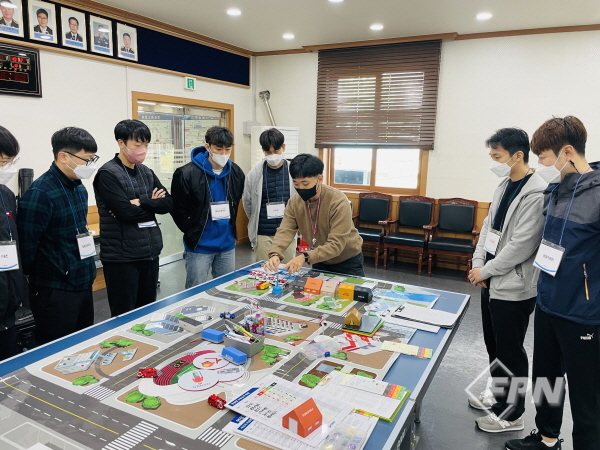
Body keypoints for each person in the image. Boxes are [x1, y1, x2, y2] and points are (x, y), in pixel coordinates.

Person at [506, 116, 600, 450]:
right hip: (547, 301)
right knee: (546, 378)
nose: (541, 165)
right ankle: (547, 438)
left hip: (583, 311)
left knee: (586, 393)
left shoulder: (597, 193)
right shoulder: (555, 189)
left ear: (568, 152)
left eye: (545, 157)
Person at [467, 128, 547, 433]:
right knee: (495, 345)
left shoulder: (536, 192)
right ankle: (500, 397)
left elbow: (522, 245)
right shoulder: (503, 184)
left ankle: (512, 414)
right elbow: (488, 228)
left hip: (513, 285)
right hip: (490, 279)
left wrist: (486, 271)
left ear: (518, 155)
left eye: (497, 156)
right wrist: (478, 264)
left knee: (511, 351)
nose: (493, 161)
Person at [17, 127, 98, 346]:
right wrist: (55, 269)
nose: (89, 165)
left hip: (83, 280)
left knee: (83, 343)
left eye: (92, 159)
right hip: (55, 289)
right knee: (57, 348)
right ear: (63, 156)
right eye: (86, 160)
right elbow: (27, 248)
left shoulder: (79, 188)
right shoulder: (40, 194)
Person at [93, 120, 172, 317]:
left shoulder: (146, 172)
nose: (142, 149)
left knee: (147, 311)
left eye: (146, 145)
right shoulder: (107, 174)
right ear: (121, 143)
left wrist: (141, 202)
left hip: (150, 252)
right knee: (125, 314)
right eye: (137, 145)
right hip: (122, 257)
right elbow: (125, 213)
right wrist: (151, 204)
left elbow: (168, 204)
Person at [264, 154, 364, 276]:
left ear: (320, 179)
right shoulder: (295, 202)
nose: (300, 188)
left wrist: (305, 257)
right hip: (319, 258)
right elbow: (285, 230)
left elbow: (336, 245)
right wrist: (276, 253)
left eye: (305, 184)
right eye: (296, 184)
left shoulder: (338, 201)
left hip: (347, 261)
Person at [171, 126, 245, 288]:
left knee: (226, 290)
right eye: (218, 149)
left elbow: (237, 202)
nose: (224, 154)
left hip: (227, 244)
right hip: (199, 246)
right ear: (208, 147)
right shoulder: (186, 173)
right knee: (195, 292)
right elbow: (178, 210)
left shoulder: (236, 173)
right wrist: (191, 230)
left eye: (228, 149)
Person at [243, 128, 297, 264]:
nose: (272, 155)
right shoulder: (254, 174)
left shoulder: (294, 171)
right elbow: (248, 203)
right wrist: (256, 220)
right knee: (265, 271)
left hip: (287, 232)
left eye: (276, 151)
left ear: (283, 147)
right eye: (268, 152)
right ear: (263, 150)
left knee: (287, 271)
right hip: (263, 233)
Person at [0, 126, 24, 361]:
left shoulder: (6, 194)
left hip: (8, 300)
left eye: (8, 162)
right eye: (2, 162)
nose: (5, 168)